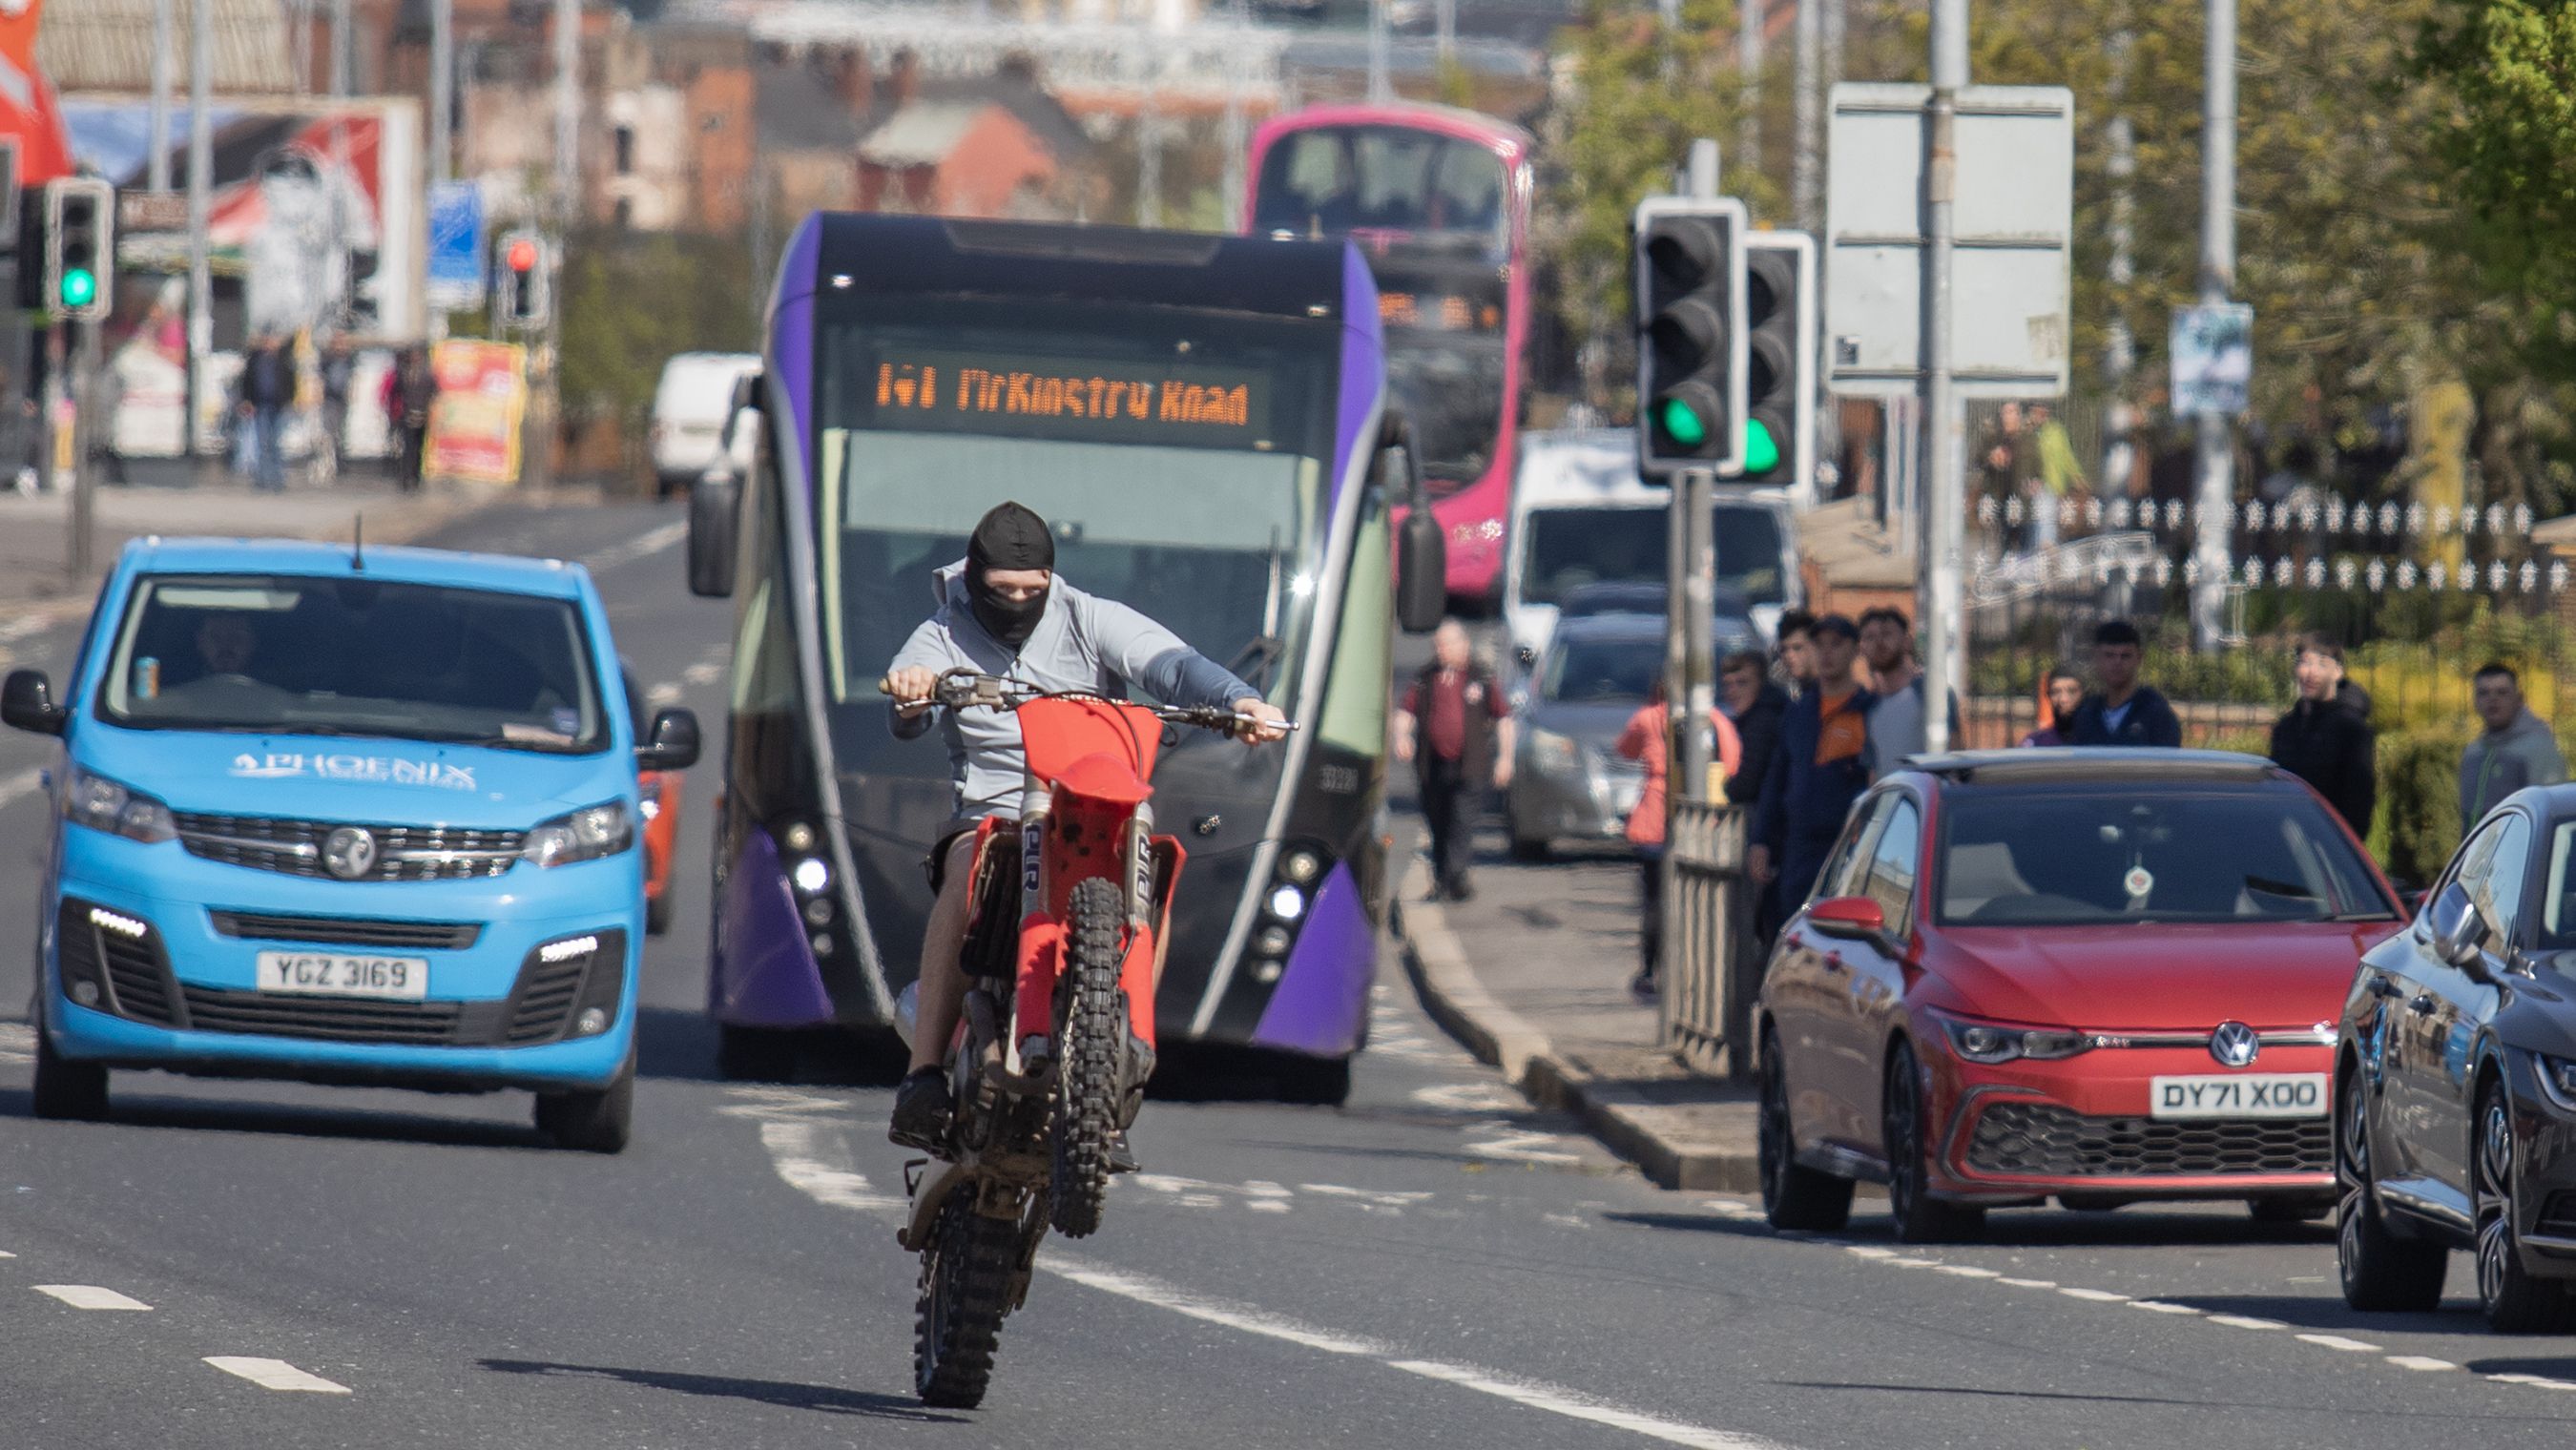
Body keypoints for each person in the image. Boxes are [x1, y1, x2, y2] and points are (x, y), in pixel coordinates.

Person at [878, 502, 1288, 1153]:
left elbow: (1175, 665)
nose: (1017, 602)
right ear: (975, 579)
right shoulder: (940, 635)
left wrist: (1239, 700)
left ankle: (1119, 1071)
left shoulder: (1090, 617)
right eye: (1001, 591)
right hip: (994, 808)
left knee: (1151, 871)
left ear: (1051, 580)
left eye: (1031, 590)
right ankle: (922, 1076)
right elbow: (909, 713)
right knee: (966, 867)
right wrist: (913, 687)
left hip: (1090, 805)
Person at [1750, 614, 1875, 933]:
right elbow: (1777, 779)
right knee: (1795, 930)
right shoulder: (1800, 711)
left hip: (1848, 846)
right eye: (1819, 645)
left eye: (1837, 644)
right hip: (1800, 846)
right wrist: (1761, 839)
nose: (1827, 653)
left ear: (1855, 650)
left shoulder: (1869, 709)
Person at [1618, 679, 1739, 1002]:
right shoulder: (1712, 718)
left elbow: (1626, 749)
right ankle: (1694, 973)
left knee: (1654, 901)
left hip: (1654, 818)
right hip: (1700, 819)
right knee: (1697, 898)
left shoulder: (1647, 717)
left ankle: (1649, 970)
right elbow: (1732, 760)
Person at [1397, 619, 1514, 903]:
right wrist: (1402, 736)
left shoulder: (1481, 677)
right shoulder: (1425, 677)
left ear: (1463, 645)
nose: (1440, 650)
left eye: (1446, 644)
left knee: (1461, 822)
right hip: (1432, 765)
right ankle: (1447, 878)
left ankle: (1453, 877)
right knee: (1438, 822)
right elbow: (1406, 711)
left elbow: (1503, 718)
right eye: (1437, 645)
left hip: (1470, 765)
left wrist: (1505, 759)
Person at [2268, 634, 2376, 837]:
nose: (2311, 673)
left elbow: (2359, 799)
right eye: (2305, 662)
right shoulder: (2286, 727)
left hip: (2331, 840)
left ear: (2338, 672)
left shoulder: (2352, 728)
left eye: (2322, 664)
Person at [2460, 662, 2568, 833]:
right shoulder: (2474, 752)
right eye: (2483, 693)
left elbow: (2552, 815)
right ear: (2474, 700)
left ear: (2519, 699)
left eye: (2502, 692)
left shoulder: (2538, 749)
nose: (2492, 699)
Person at [1857, 606, 1958, 777]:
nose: (1879, 642)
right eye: (1870, 637)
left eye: (1887, 634)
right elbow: (1873, 772)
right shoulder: (1869, 706)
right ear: (1862, 647)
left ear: (1907, 641)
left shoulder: (1930, 693)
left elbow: (1955, 754)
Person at [2066, 619, 2182, 747]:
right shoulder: (2086, 715)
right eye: (2109, 655)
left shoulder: (2156, 714)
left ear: (2139, 658)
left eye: (2125, 656)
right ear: (2096, 657)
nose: (2117, 663)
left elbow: (2167, 764)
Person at [1720, 648, 1787, 809]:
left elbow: (1748, 782)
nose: (1733, 691)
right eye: (1727, 684)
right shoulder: (1759, 716)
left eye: (1742, 682)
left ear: (1760, 683)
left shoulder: (1762, 722)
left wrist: (1728, 787)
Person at [239, 332, 293, 492]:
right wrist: (247, 401)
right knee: (262, 444)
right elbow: (247, 382)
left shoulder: (283, 361)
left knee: (276, 444)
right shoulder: (255, 361)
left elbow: (290, 383)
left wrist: (288, 401)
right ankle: (262, 479)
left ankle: (277, 479)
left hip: (278, 406)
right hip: (260, 406)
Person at [384, 344, 437, 492]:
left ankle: (415, 476)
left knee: (418, 447)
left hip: (422, 413)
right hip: (406, 414)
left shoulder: (427, 374)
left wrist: (430, 409)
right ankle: (406, 477)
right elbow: (394, 392)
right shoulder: (403, 373)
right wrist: (394, 411)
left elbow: (435, 392)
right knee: (408, 447)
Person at [2017, 667, 2085, 747]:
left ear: (2084, 695)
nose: (2064, 699)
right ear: (2048, 696)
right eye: (2056, 692)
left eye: (2072, 691)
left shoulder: (2099, 740)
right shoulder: (2036, 743)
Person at [1774, 609, 1818, 697]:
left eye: (1797, 648)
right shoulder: (1789, 691)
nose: (1789, 656)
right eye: (1783, 649)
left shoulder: (1833, 691)